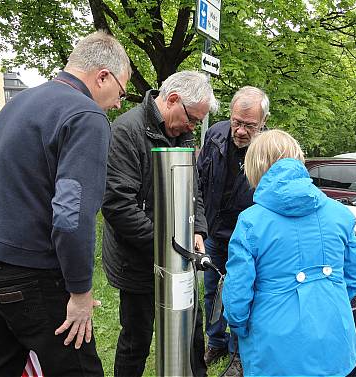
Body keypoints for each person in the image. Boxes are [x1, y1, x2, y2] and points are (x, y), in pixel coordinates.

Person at [0, 31, 131, 377]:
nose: (118, 104)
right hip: (31, 273)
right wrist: (80, 292)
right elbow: (72, 216)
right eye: (122, 92)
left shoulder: (18, 102)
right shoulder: (85, 115)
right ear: (103, 76)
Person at [102, 70, 218, 377]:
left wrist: (197, 230)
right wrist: (168, 245)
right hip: (138, 259)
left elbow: (195, 191)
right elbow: (118, 205)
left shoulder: (183, 134)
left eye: (197, 122)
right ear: (173, 99)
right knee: (136, 338)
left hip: (179, 255)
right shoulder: (126, 132)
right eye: (192, 118)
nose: (193, 126)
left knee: (192, 331)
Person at [223, 130, 356, 376]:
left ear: (255, 167)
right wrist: (328, 300)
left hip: (274, 344)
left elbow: (237, 297)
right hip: (334, 336)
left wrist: (241, 326)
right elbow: (354, 279)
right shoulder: (341, 214)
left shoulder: (250, 222)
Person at [196, 86, 269, 375]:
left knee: (243, 292)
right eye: (237, 122)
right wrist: (199, 225)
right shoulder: (214, 134)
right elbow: (199, 181)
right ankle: (215, 341)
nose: (240, 130)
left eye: (249, 125)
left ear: (262, 123)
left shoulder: (267, 149)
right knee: (212, 290)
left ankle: (238, 352)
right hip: (215, 231)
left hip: (248, 237)